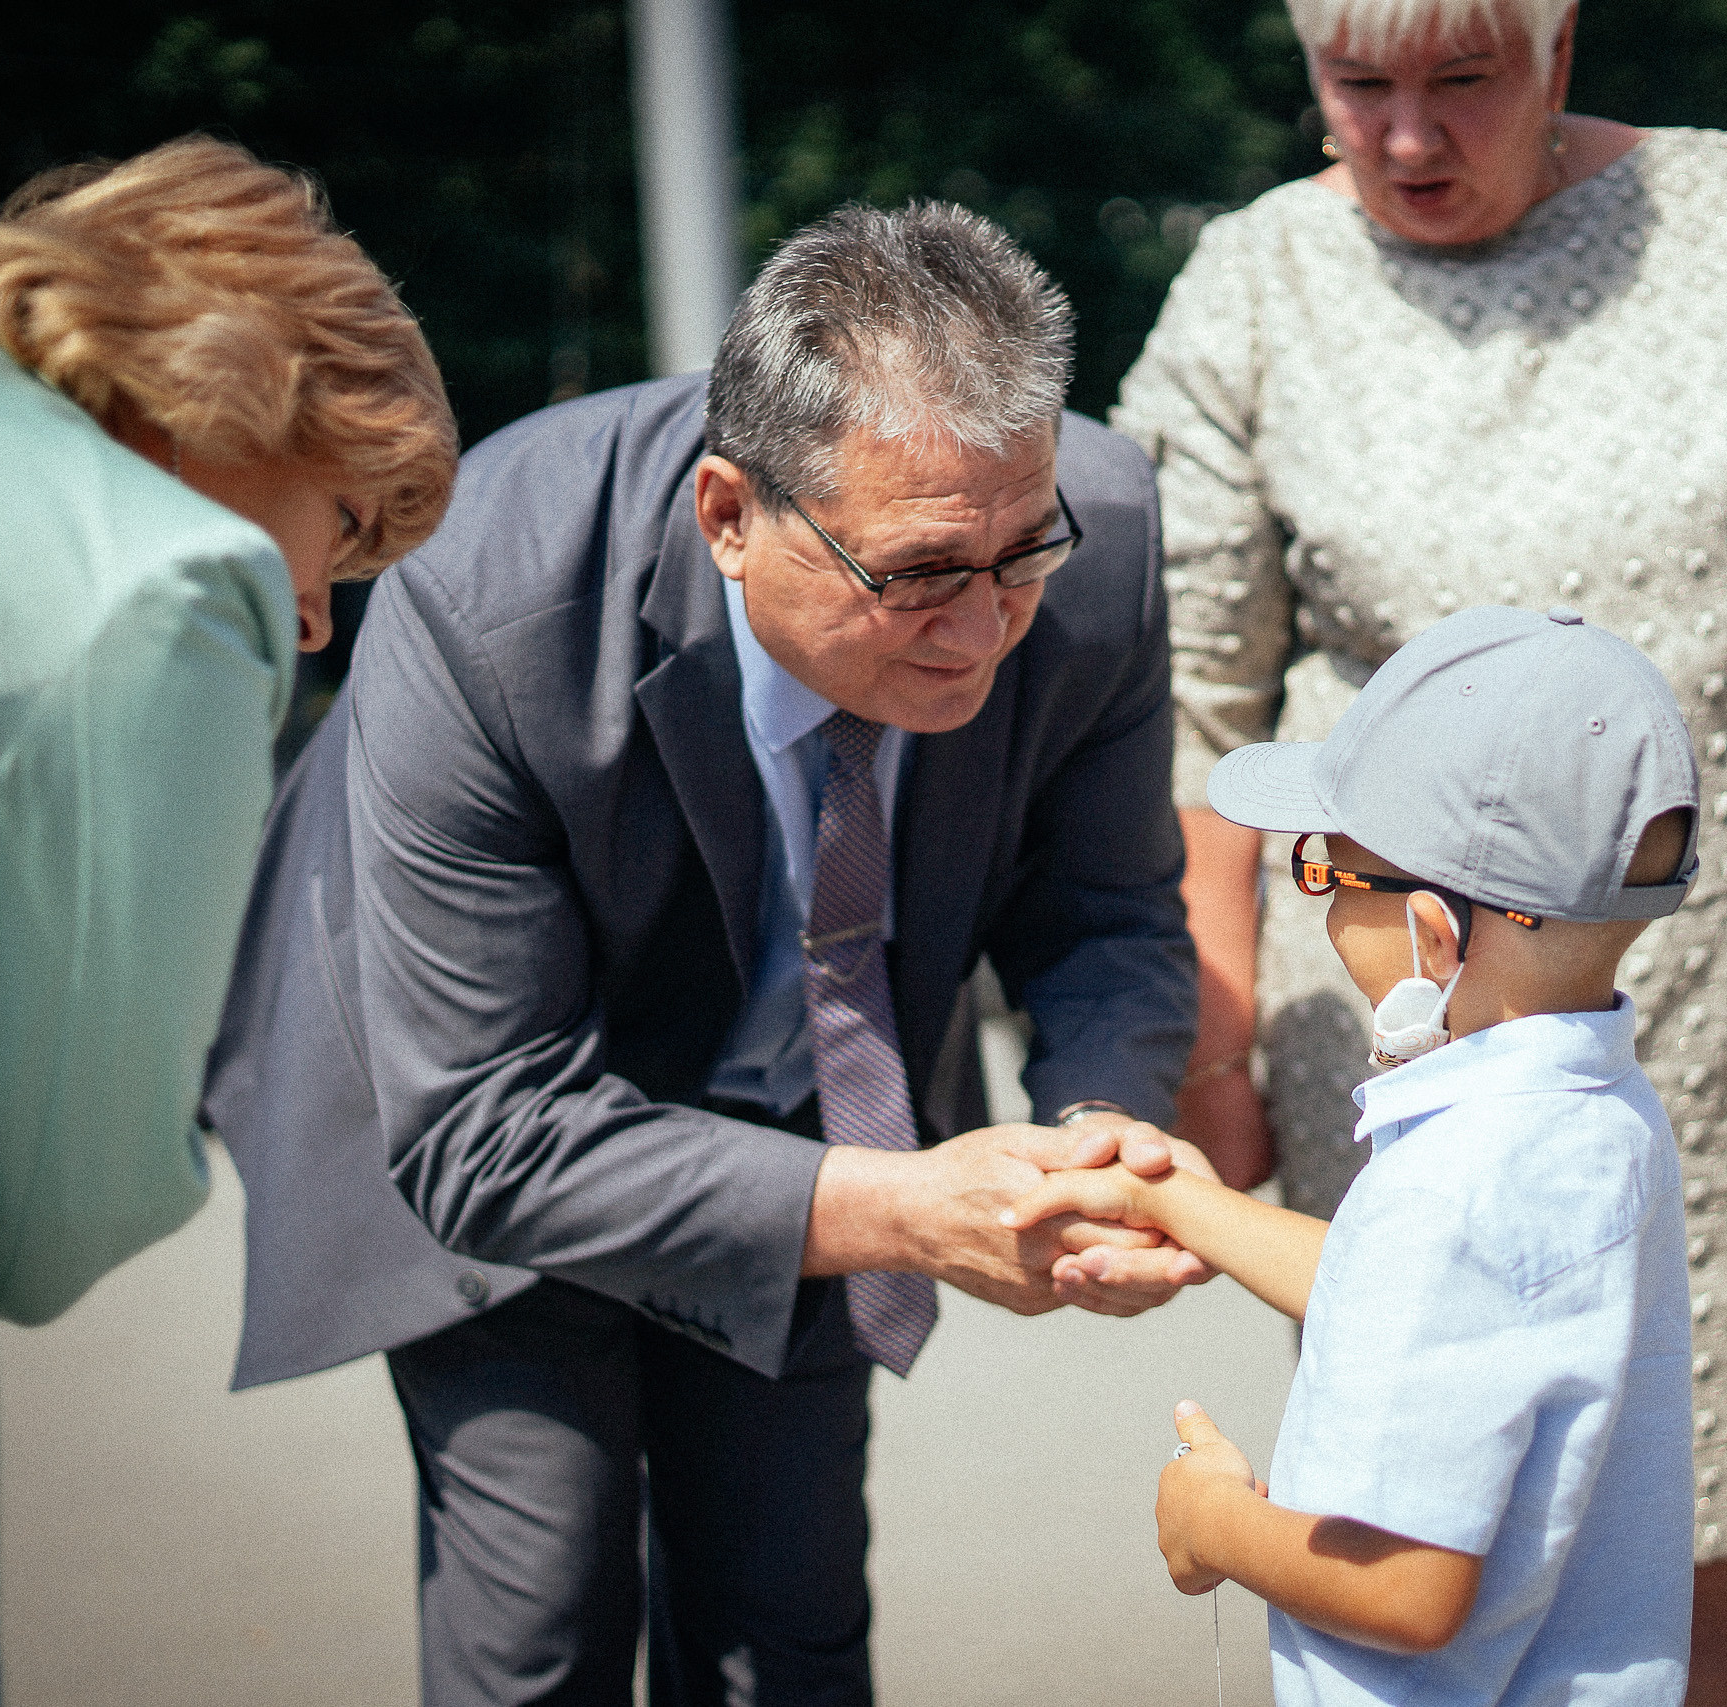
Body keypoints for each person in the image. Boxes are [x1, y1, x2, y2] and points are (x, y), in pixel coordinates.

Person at [200, 201, 1209, 1707]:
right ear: (730, 512)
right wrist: (907, 1204)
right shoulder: (483, 588)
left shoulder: (1102, 538)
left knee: (786, 1623)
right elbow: (482, 1127)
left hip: (813, 1110)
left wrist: (1107, 1126)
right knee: (542, 1612)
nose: (985, 628)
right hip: (496, 1106)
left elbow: (1105, 911)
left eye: (1022, 555)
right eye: (922, 574)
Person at [1108, 0, 1727, 1694]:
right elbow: (1199, 706)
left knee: (1670, 1473)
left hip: (1712, 1000)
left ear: (1561, 47)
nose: (1408, 137)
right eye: (1360, 87)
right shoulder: (1258, 281)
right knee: (1423, 1435)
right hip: (1386, 982)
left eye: (1462, 80)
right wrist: (1209, 1046)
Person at [0, 137, 454, 1707]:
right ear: (246, 396)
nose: (314, 616)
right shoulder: (159, 576)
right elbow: (60, 1203)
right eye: (348, 531)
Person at [1010, 604, 1699, 1705]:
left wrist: (1216, 1523)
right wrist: (1190, 1205)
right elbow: (1418, 1297)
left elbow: (1410, 1593)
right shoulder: (1595, 1115)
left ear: (1434, 934)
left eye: (1327, 874)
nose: (1317, 903)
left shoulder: (1451, 1185)